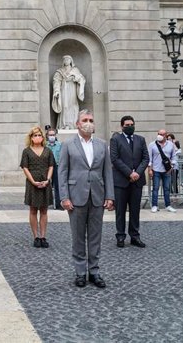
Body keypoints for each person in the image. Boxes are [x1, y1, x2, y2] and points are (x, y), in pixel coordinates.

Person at [58, 109, 115, 288]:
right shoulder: (68, 145)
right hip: (76, 196)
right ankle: (80, 272)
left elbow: (107, 172)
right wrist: (64, 197)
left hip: (97, 196)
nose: (88, 123)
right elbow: (63, 172)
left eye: (91, 120)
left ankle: (95, 271)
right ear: (77, 123)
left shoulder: (101, 144)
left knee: (95, 236)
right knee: (78, 237)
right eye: (85, 120)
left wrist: (110, 195)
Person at [110, 116, 149, 248]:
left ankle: (135, 236)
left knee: (135, 210)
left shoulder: (141, 139)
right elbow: (115, 159)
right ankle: (120, 236)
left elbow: (145, 158)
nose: (130, 126)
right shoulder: (115, 139)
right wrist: (129, 173)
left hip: (137, 181)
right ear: (122, 126)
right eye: (127, 125)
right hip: (121, 181)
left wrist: (137, 172)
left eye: (132, 124)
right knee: (120, 210)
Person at [20, 127, 55, 248]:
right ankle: (36, 236)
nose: (37, 137)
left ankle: (43, 236)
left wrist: (48, 179)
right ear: (31, 137)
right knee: (33, 210)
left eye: (39, 135)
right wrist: (33, 181)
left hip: (45, 182)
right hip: (32, 183)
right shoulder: (27, 151)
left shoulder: (48, 150)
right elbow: (25, 167)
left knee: (44, 210)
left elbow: (51, 165)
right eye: (35, 135)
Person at [147, 128, 178, 213]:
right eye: (159, 134)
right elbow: (149, 158)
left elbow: (174, 157)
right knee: (155, 188)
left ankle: (168, 205)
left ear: (166, 135)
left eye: (162, 134)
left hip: (166, 170)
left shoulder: (171, 145)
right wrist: (150, 170)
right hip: (156, 169)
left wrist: (172, 166)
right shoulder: (152, 145)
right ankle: (154, 205)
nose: (160, 136)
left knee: (167, 188)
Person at [52, 55, 86, 129]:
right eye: (65, 59)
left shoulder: (75, 70)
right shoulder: (60, 71)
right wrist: (57, 91)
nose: (66, 60)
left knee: (73, 106)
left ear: (71, 61)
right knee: (65, 107)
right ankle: (64, 125)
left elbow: (81, 79)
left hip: (72, 90)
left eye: (68, 59)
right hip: (64, 90)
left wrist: (76, 78)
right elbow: (56, 81)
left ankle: (73, 125)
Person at [45, 128, 63, 210]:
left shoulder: (60, 145)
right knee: (46, 184)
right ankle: (44, 203)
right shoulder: (44, 145)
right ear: (47, 136)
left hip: (57, 166)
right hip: (46, 166)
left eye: (53, 135)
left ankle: (58, 203)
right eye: (50, 135)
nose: (52, 136)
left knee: (57, 185)